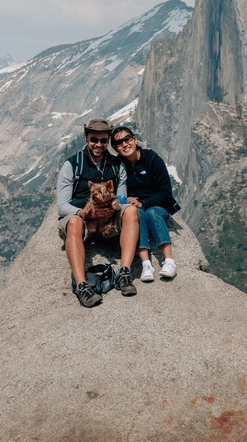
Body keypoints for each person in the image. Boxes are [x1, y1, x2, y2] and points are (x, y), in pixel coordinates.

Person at [56, 119, 139, 307]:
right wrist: (86, 213)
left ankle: (124, 273)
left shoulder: (117, 165)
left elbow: (122, 198)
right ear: (86, 138)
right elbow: (62, 206)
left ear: (108, 141)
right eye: (94, 139)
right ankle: (82, 286)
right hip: (83, 219)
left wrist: (111, 208)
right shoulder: (72, 165)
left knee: (131, 211)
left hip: (109, 219)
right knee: (74, 223)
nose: (98, 145)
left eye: (103, 141)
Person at [110, 126, 180, 282]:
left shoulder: (153, 160)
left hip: (157, 204)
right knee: (137, 214)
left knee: (152, 213)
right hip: (134, 207)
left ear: (134, 139)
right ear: (116, 148)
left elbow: (166, 193)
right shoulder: (119, 166)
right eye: (119, 143)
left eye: (127, 139)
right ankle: (146, 264)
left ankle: (169, 261)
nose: (124, 144)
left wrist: (143, 202)